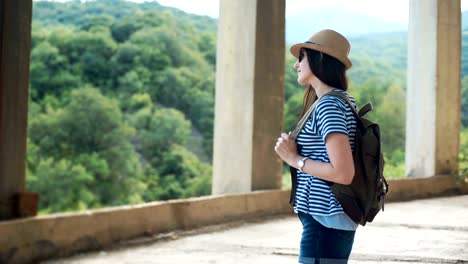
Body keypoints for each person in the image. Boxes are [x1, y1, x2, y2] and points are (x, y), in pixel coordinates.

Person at [274, 29, 358, 263]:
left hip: (325, 221)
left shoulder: (329, 105)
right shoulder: (339, 100)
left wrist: (294, 159)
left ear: (319, 58)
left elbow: (343, 173)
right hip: (328, 220)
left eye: (301, 57)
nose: (296, 65)